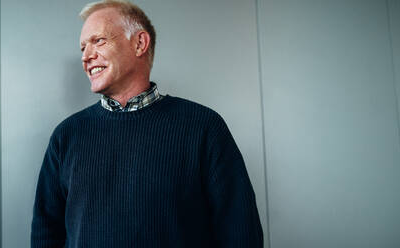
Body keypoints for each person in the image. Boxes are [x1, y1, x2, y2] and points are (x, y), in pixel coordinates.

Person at [31, 0, 263, 247]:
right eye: (82, 48)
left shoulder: (203, 127)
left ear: (139, 43)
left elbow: (241, 234)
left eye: (98, 41)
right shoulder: (66, 136)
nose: (86, 56)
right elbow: (46, 234)